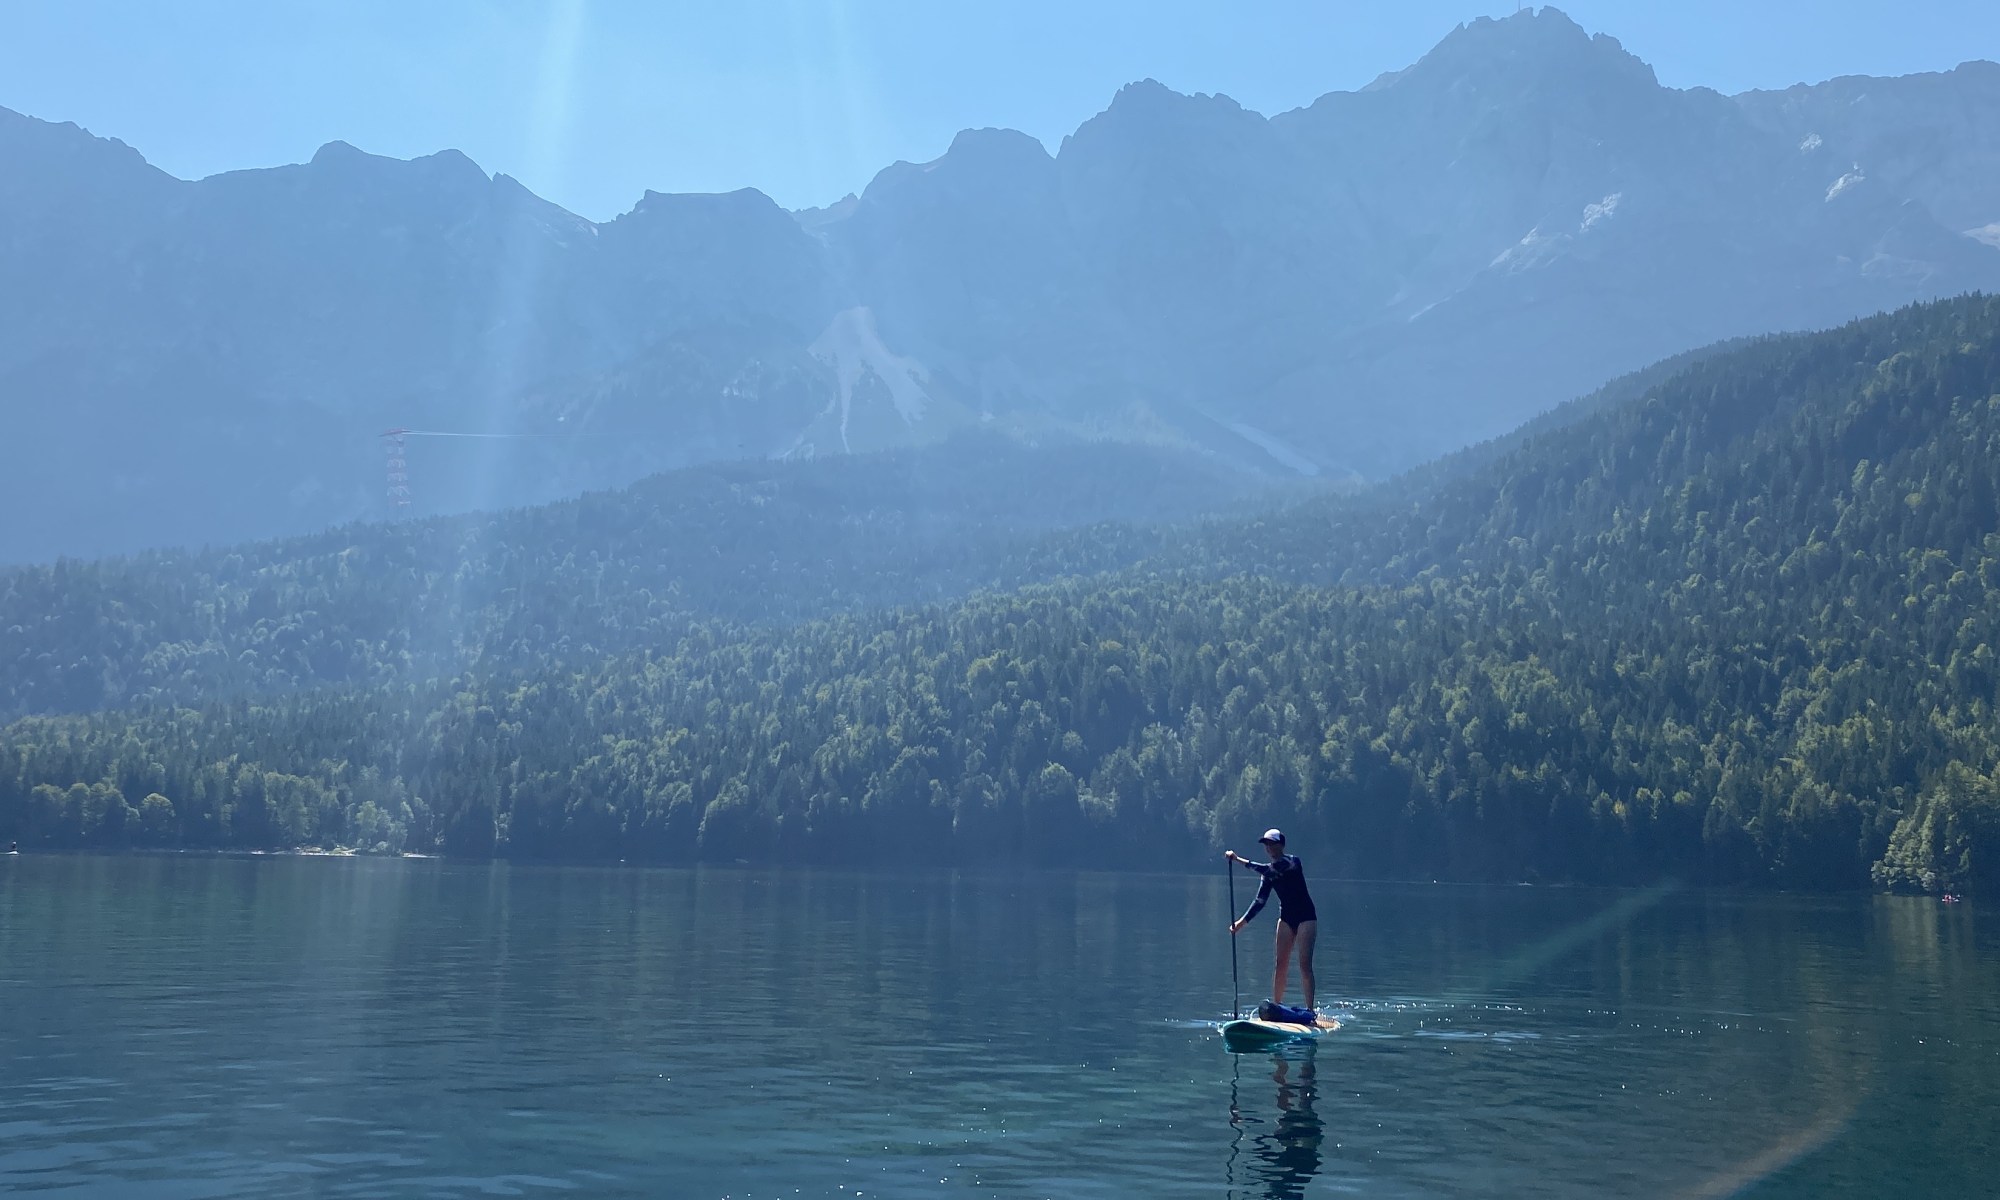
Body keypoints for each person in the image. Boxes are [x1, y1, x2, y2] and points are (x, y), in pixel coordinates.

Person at [1227, 828, 1319, 1016]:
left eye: (1272, 843)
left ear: (1281, 845)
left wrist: (1238, 860)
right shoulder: (1268, 875)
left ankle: (1310, 1011)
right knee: (1280, 963)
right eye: (1266, 844)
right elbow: (1259, 902)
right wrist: (1241, 923)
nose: (1268, 847)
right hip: (1286, 917)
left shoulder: (1293, 862)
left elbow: (1268, 869)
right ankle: (1277, 1008)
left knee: (1304, 964)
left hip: (1306, 917)